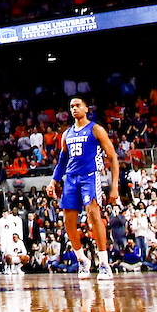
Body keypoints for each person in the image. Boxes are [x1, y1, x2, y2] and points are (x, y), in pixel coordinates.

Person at [46, 96, 119, 281]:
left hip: (90, 176)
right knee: (68, 222)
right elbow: (62, 161)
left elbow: (113, 156)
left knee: (94, 215)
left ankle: (104, 263)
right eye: (71, 106)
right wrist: (53, 181)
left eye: (78, 105)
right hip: (71, 179)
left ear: (86, 109)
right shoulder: (66, 134)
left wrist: (114, 185)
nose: (74, 109)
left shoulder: (96, 129)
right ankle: (82, 260)